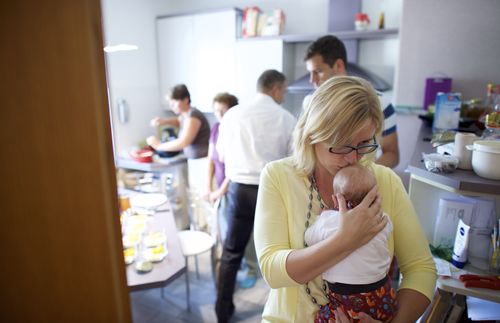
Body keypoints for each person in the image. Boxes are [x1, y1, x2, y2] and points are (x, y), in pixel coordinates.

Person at [254, 76, 436, 322]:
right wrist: (345, 240)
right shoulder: (278, 176)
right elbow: (271, 270)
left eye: (363, 144)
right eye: (341, 145)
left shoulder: (385, 181)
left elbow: (421, 269)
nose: (353, 158)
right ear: (312, 135)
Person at [215, 70, 297, 323]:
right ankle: (279, 313)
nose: (282, 96)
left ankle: (222, 310)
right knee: (277, 253)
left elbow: (221, 153)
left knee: (231, 252)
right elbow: (294, 160)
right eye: (282, 91)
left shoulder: (232, 114)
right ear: (275, 89)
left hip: (239, 189)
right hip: (270, 190)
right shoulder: (286, 118)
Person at [304, 164, 396, 322]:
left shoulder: (329, 221)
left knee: (324, 317)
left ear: (335, 199)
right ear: (373, 197)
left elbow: (309, 238)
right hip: (383, 295)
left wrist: (322, 218)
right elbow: (387, 230)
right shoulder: (382, 218)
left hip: (346, 298)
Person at [303, 35, 399, 168]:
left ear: (339, 65)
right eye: (310, 73)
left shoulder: (380, 103)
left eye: (318, 71)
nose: (312, 80)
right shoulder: (310, 103)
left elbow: (392, 154)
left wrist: (360, 176)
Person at [205, 92, 259, 289]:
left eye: (223, 110)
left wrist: (220, 190)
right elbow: (212, 160)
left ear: (233, 110)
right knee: (228, 234)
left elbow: (236, 165)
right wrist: (208, 186)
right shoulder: (215, 129)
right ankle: (236, 269)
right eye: (216, 111)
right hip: (220, 190)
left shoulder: (238, 129)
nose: (219, 115)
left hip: (235, 188)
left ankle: (251, 268)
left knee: (246, 235)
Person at [147, 84, 210, 159]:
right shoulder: (185, 115)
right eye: (170, 102)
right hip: (196, 159)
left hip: (201, 160)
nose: (171, 105)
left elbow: (183, 142)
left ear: (186, 100)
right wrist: (163, 121)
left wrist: (159, 146)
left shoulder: (193, 115)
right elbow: (178, 121)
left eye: (174, 102)